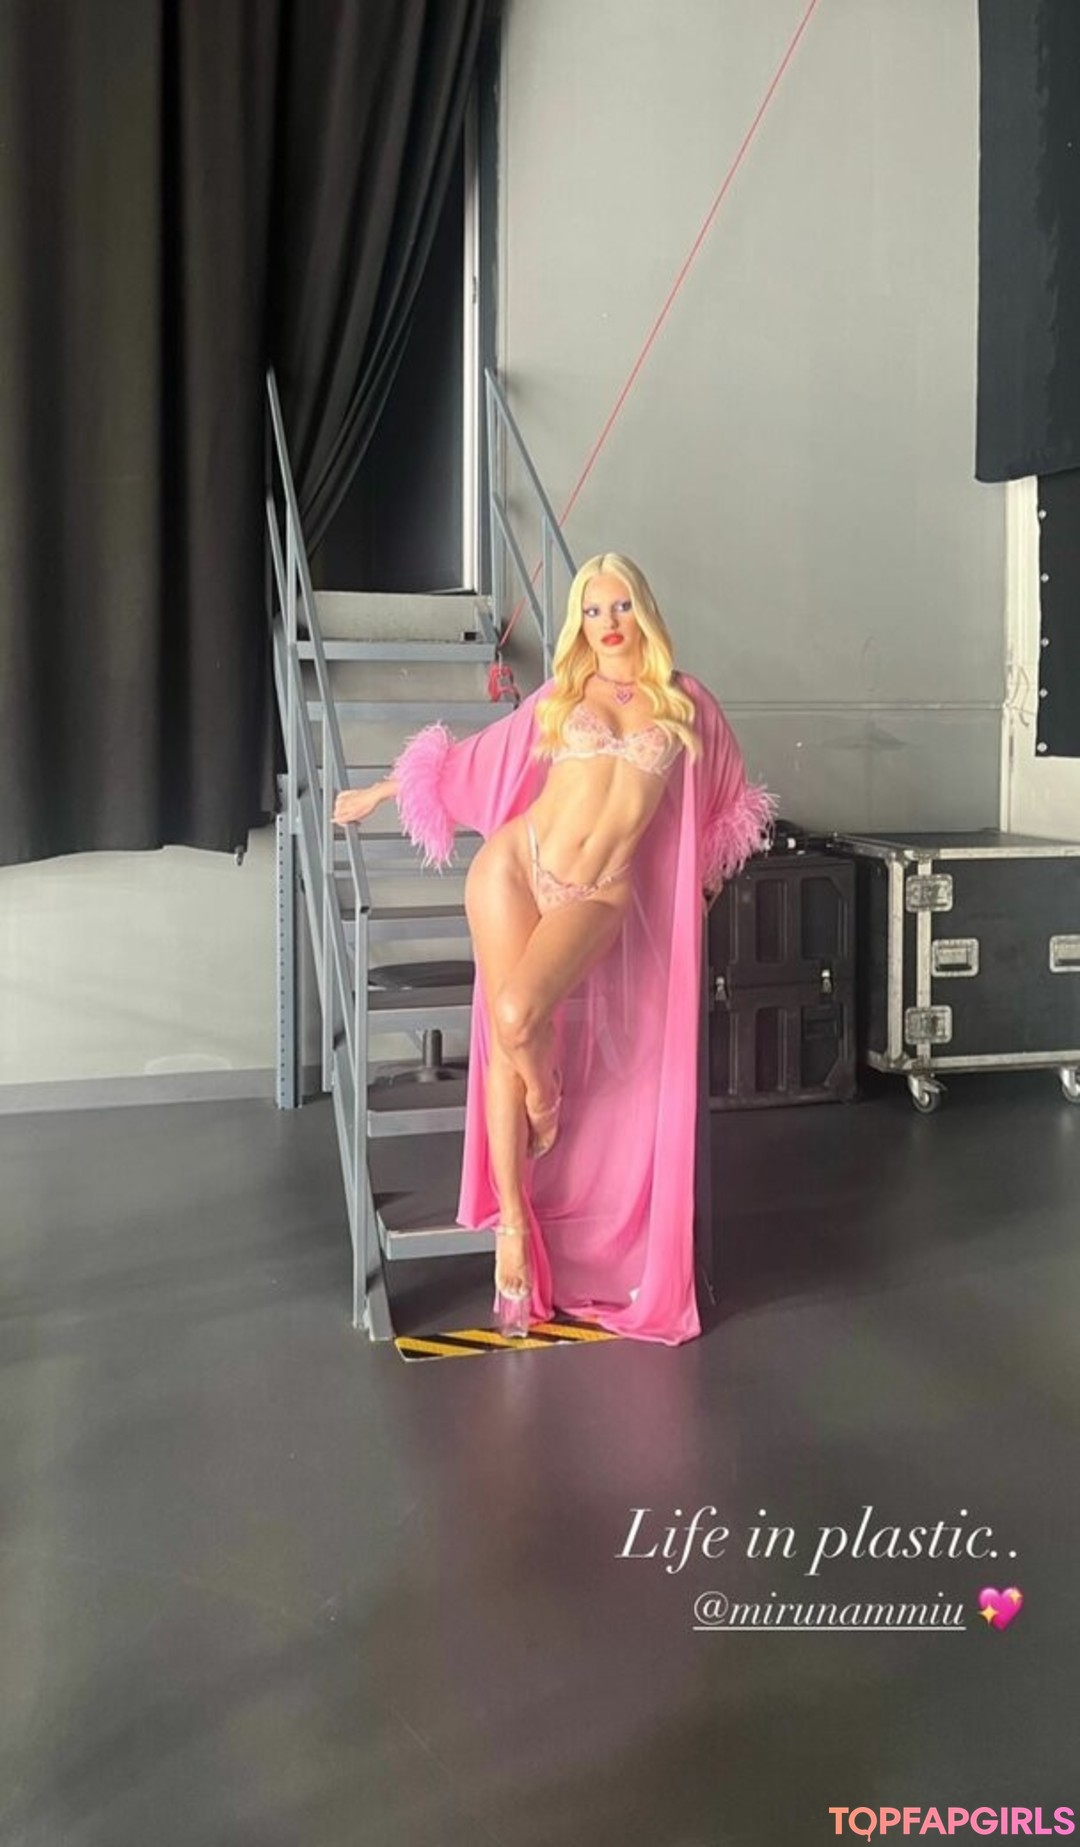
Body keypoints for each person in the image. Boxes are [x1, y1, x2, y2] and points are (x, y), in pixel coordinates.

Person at [333, 553, 778, 1345]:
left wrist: (702, 888)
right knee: (507, 1039)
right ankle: (513, 1223)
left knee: (516, 1015)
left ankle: (546, 1097)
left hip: (597, 894)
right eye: (593, 610)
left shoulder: (687, 704)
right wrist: (380, 791)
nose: (608, 624)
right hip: (515, 863)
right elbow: (478, 757)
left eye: (620, 607)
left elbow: (730, 804)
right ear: (580, 622)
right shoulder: (563, 695)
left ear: (643, 610)